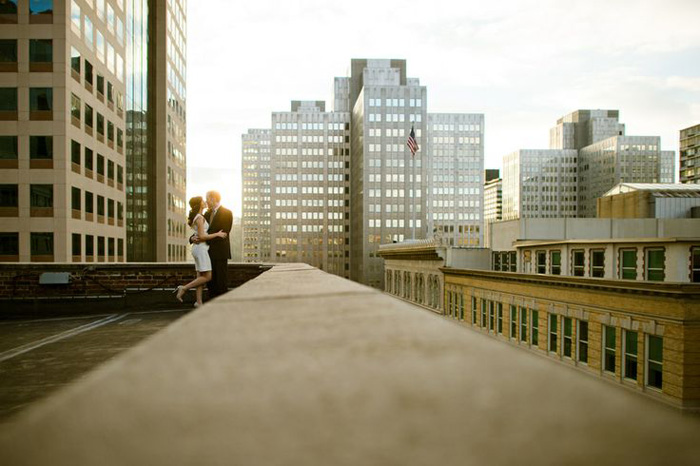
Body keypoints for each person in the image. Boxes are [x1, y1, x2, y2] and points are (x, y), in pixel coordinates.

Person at [176, 196, 227, 306]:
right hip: (201, 249)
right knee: (208, 277)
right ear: (199, 204)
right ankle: (184, 288)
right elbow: (203, 236)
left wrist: (193, 237)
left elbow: (198, 234)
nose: (205, 201)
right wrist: (217, 234)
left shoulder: (199, 216)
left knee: (200, 277)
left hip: (199, 248)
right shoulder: (199, 218)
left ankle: (198, 302)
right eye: (202, 201)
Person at [202, 190, 233, 299]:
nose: (206, 201)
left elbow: (224, 232)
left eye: (207, 198)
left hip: (220, 253)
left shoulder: (227, 213)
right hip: (207, 252)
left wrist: (204, 237)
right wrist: (194, 237)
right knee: (210, 283)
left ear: (213, 198)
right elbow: (201, 230)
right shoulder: (206, 214)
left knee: (221, 282)